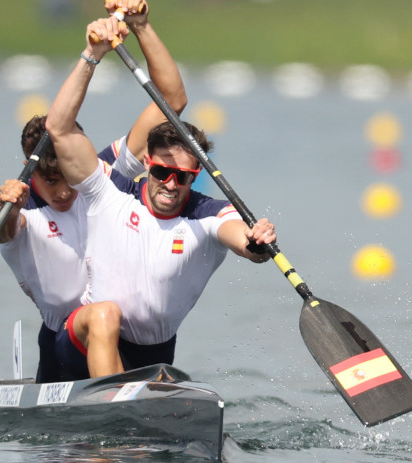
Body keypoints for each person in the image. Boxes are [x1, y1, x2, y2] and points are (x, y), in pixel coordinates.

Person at [45, 15, 278, 380]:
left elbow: (243, 241)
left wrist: (257, 242)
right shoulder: (108, 189)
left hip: (152, 356)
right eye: (161, 172)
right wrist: (92, 53)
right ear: (146, 164)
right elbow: (58, 128)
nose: (170, 184)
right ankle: (116, 412)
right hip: (83, 340)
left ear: (196, 175)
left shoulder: (208, 215)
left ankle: (126, 405)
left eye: (183, 177)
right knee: (106, 314)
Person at [0, 0, 187, 383]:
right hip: (67, 346)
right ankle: (114, 409)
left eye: (68, 178)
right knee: (103, 313)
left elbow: (172, 103)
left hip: (133, 341)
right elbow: (2, 231)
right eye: (50, 183)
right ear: (32, 180)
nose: (65, 192)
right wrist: (9, 208)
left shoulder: (100, 178)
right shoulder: (19, 205)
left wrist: (142, 26)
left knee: (110, 315)